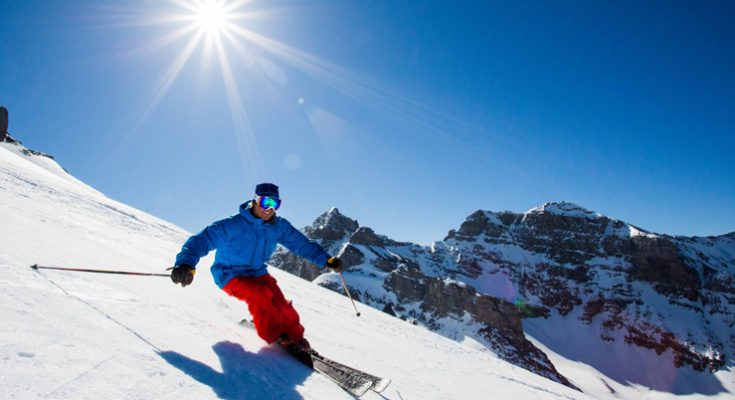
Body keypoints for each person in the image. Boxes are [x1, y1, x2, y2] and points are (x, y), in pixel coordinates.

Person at [171, 182, 342, 350]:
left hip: (258, 272)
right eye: (265, 202)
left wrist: (325, 260)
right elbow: (202, 239)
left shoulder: (278, 227)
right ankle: (275, 335)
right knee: (260, 295)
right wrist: (186, 263)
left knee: (280, 303)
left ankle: (296, 338)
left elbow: (301, 244)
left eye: (275, 204)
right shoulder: (233, 225)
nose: (269, 208)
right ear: (255, 200)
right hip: (230, 274)